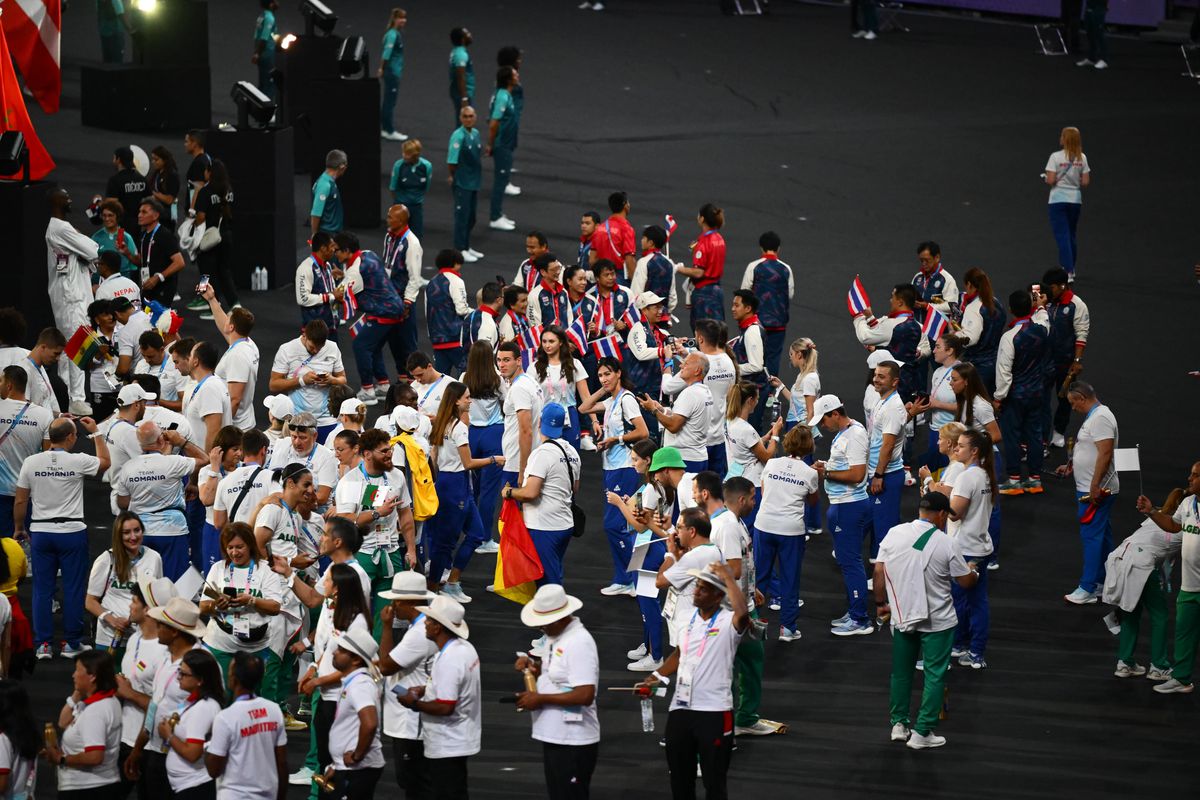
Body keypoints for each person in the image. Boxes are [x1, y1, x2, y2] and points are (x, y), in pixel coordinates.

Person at [875, 492, 979, 749]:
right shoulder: (947, 543)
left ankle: (898, 725)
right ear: (942, 515)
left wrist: (880, 604)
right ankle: (922, 732)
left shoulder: (894, 533)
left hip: (903, 615)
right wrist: (974, 571)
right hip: (938, 620)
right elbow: (965, 582)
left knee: (901, 673)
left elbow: (879, 570)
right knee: (934, 675)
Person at [643, 562, 748, 799]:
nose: (696, 592)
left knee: (714, 782)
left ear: (718, 595)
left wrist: (728, 578)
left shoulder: (729, 622)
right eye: (697, 586)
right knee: (679, 780)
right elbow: (681, 653)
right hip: (681, 708)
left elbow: (743, 614)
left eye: (703, 589)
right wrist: (657, 675)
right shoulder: (687, 618)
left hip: (715, 711)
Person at [15, 416, 109, 659]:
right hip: (71, 532)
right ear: (70, 437)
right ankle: (71, 643)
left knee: (42, 590)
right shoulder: (78, 461)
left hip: (41, 532)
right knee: (74, 588)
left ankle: (43, 645)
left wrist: (18, 527)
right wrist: (96, 433)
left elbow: (21, 499)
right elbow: (105, 462)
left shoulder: (31, 462)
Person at [512, 585, 599, 800]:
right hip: (557, 736)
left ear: (559, 619)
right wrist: (534, 667)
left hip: (573, 741)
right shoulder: (557, 637)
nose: (541, 629)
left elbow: (585, 694)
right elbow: (559, 674)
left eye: (543, 624)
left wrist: (540, 698)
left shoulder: (579, 642)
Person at [293, 562, 371, 794]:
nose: (322, 584)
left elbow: (353, 666)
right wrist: (314, 669)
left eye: (326, 580)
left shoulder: (356, 621)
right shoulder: (335, 611)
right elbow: (328, 650)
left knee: (339, 761)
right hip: (327, 694)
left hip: (342, 699)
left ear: (337, 588)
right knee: (327, 758)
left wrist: (317, 681)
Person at [394, 594, 479, 797]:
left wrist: (414, 703)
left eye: (429, 620)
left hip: (447, 742)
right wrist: (425, 689)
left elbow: (445, 706)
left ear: (438, 627)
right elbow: (455, 685)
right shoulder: (464, 649)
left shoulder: (450, 659)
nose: (425, 624)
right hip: (458, 738)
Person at [577, 357, 649, 596]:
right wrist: (603, 388)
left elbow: (643, 431)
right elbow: (583, 408)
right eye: (600, 375)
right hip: (612, 467)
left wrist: (615, 440)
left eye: (608, 374)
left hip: (625, 469)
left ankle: (635, 578)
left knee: (614, 525)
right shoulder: (612, 401)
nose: (604, 378)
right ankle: (626, 579)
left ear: (619, 373)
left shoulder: (626, 400)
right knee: (622, 526)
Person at [333, 429, 418, 624]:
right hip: (361, 554)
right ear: (367, 454)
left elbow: (405, 514)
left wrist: (411, 550)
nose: (390, 455)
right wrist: (377, 513)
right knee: (355, 614)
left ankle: (380, 652)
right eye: (384, 451)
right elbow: (345, 519)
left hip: (392, 551)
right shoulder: (351, 481)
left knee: (386, 616)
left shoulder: (397, 476)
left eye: (390, 450)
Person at [1104, 487, 1185, 682]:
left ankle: (1125, 663)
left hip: (1119, 558)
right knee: (1160, 615)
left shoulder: (1156, 516)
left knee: (1131, 611)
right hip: (1141, 564)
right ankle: (1159, 666)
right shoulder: (1186, 526)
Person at [427, 383, 498, 602]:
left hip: (450, 483)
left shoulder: (441, 424)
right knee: (446, 542)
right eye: (467, 397)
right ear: (456, 401)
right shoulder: (458, 428)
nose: (470, 400)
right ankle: (431, 590)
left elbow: (434, 459)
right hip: (455, 485)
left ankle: (451, 583)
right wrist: (494, 459)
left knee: (476, 534)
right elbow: (467, 463)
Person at [115, 421, 208, 579]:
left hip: (140, 531)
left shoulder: (128, 467)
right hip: (172, 530)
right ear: (160, 440)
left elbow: (122, 503)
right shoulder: (173, 463)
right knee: (175, 585)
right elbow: (205, 459)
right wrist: (181, 441)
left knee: (143, 586)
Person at [504, 403, 581, 587]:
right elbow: (574, 488)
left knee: (548, 584)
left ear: (539, 423)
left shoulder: (541, 454)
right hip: (564, 524)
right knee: (553, 573)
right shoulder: (573, 453)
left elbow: (530, 492)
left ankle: (556, 615)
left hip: (544, 527)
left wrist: (509, 492)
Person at [377, 572, 437, 799]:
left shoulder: (420, 633)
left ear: (409, 602)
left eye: (396, 601)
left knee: (416, 786)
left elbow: (386, 666)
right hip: (410, 720)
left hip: (411, 724)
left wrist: (386, 627)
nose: (393, 606)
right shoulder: (421, 627)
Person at [199, 523, 284, 683]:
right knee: (223, 696)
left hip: (256, 647)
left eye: (239, 547)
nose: (234, 552)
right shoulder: (218, 569)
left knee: (252, 697)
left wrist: (251, 600)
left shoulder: (265, 570)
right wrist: (217, 605)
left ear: (250, 545)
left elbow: (275, 607)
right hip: (221, 644)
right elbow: (203, 607)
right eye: (230, 547)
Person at [756, 426, 819, 641]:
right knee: (790, 578)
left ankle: (753, 622)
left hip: (764, 525)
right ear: (809, 445)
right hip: (791, 530)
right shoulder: (810, 472)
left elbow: (764, 493)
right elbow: (812, 502)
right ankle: (788, 628)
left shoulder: (772, 463)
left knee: (760, 576)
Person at [1057, 381, 1118, 604]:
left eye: (1074, 403)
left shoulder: (1100, 417)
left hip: (1094, 491)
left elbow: (1105, 453)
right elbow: (1091, 450)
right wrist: (1072, 465)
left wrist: (1094, 486)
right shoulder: (1096, 416)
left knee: (1091, 537)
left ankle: (1088, 588)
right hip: (1091, 486)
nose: (1073, 408)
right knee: (1101, 537)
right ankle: (1104, 582)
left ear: (1082, 398)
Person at [204, 652, 288, 800]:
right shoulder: (274, 710)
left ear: (233, 679)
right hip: (268, 794)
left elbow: (213, 770)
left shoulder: (225, 717)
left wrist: (207, 746)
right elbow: (281, 762)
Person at [46, 188, 100, 416]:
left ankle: (66, 394)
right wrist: (83, 243)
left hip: (71, 297)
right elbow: (93, 249)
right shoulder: (61, 228)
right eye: (65, 196)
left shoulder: (59, 229)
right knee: (78, 345)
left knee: (70, 348)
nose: (69, 199)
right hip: (72, 299)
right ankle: (77, 398)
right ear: (55, 202)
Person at [945, 429, 996, 669]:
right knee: (967, 599)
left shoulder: (967, 477)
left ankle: (975, 651)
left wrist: (933, 495)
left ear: (974, 451)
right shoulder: (985, 475)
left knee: (970, 601)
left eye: (961, 446)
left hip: (966, 549)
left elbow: (955, 514)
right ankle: (963, 645)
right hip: (979, 545)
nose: (956, 449)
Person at [114, 579, 171, 798]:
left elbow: (163, 707)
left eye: (134, 601)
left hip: (151, 746)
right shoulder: (134, 639)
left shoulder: (166, 651)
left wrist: (129, 693)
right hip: (125, 738)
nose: (130, 606)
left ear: (148, 609)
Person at [86, 512, 164, 658]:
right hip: (110, 638)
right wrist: (112, 620)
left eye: (137, 530)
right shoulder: (106, 560)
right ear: (118, 535)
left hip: (143, 639)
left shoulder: (154, 558)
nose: (133, 537)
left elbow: (156, 598)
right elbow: (90, 602)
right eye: (126, 532)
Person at [994, 289, 1049, 495]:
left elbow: (1004, 372)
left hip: (1015, 396)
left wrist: (998, 398)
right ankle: (1035, 479)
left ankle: (1014, 479)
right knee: (1035, 435)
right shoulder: (1042, 329)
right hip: (1037, 393)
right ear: (1031, 307)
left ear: (1010, 309)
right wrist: (1041, 305)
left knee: (1012, 436)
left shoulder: (1009, 338)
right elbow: (1044, 317)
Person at [46, 650, 123, 798]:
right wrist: (77, 692)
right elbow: (63, 722)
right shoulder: (104, 702)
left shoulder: (96, 712)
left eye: (77, 670)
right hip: (96, 786)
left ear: (92, 676)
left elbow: (95, 756)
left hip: (87, 789)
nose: (73, 675)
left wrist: (61, 759)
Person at [325, 629, 385, 798]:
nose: (335, 653)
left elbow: (370, 723)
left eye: (342, 650)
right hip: (350, 768)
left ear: (356, 659)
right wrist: (337, 765)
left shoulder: (360, 685)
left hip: (358, 769)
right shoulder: (354, 682)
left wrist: (357, 756)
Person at [161, 650, 224, 800]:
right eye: (179, 671)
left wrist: (168, 735)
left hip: (195, 788)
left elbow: (192, 753)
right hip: (187, 786)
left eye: (184, 674)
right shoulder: (195, 702)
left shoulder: (204, 708)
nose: (178, 678)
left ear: (200, 680)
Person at [269, 323, 348, 441]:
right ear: (304, 335)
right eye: (312, 347)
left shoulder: (332, 348)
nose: (316, 351)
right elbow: (274, 385)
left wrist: (332, 380)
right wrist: (302, 380)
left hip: (327, 419)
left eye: (319, 347)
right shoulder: (287, 349)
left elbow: (343, 379)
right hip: (298, 419)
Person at [0, 366, 54, 537]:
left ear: (9, 385)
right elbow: (48, 456)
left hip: (1, 491)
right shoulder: (44, 415)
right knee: (27, 543)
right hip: (30, 492)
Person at [461, 342, 505, 552]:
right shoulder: (497, 379)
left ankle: (472, 533)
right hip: (493, 435)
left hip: (471, 435)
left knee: (472, 490)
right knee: (489, 492)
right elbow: (507, 403)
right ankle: (485, 539)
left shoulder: (464, 378)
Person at [853, 284, 929, 402]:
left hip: (892, 386)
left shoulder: (894, 325)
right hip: (909, 382)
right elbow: (890, 341)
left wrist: (858, 317)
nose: (890, 300)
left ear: (900, 302)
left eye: (892, 297)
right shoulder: (915, 326)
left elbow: (865, 337)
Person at [1040, 268, 1090, 449]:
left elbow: (1081, 335)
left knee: (1064, 399)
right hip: (1044, 361)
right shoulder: (1046, 301)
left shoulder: (1077, 305)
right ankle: (1042, 434)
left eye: (1051, 287)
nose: (1047, 291)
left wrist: (1076, 362)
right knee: (1042, 399)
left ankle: (1059, 432)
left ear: (1062, 286)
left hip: (1065, 363)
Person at [640, 352, 713, 473]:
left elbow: (674, 426)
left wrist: (653, 410)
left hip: (685, 459)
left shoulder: (690, 393)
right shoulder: (704, 391)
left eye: (686, 363)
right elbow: (683, 419)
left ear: (697, 371)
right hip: (696, 457)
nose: (681, 366)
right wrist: (661, 410)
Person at [723, 382, 782, 523]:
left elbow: (743, 444)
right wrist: (775, 435)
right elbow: (768, 456)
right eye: (757, 398)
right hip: (752, 483)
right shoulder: (747, 430)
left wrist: (764, 439)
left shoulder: (729, 421)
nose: (758, 402)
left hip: (736, 479)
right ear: (750, 401)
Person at [865, 360, 908, 559]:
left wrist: (878, 475)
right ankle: (877, 564)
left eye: (882, 376)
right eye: (875, 375)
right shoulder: (883, 400)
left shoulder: (892, 407)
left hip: (886, 475)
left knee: (884, 528)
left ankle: (884, 571)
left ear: (894, 382)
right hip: (878, 472)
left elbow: (888, 445)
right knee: (876, 522)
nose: (876, 379)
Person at [740, 231, 794, 376]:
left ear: (761, 247)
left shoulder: (754, 266)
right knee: (773, 358)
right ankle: (771, 393)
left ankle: (755, 392)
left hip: (756, 323)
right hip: (779, 324)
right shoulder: (786, 268)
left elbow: (744, 293)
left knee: (753, 358)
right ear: (778, 248)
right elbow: (790, 294)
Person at [380, 206, 424, 383]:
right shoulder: (389, 237)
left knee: (407, 343)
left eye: (391, 217)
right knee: (393, 341)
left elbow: (415, 278)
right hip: (389, 299)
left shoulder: (412, 243)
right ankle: (402, 378)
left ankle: (416, 382)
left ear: (402, 221)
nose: (387, 219)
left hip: (402, 300)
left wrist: (407, 303)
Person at [533, 326, 592, 452]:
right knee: (547, 458)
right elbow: (531, 398)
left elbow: (586, 397)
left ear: (560, 342)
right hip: (545, 415)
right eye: (544, 341)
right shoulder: (534, 367)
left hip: (569, 414)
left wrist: (595, 421)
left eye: (551, 341)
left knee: (571, 458)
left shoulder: (574, 364)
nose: (547, 345)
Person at [1044, 126, 1091, 280]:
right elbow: (1085, 181)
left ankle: (1068, 270)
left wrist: (1047, 178)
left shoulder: (1056, 157)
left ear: (1065, 139)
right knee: (1071, 234)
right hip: (1075, 200)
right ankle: (1072, 267)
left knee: (1062, 235)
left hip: (1058, 200)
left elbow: (1050, 180)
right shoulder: (1081, 158)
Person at [496, 341, 544, 490]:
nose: (501, 365)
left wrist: (522, 471)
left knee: (514, 512)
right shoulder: (530, 381)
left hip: (517, 464)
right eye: (498, 360)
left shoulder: (519, 389)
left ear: (518, 361)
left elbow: (526, 431)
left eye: (506, 360)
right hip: (530, 458)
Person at [121, 198, 184, 307]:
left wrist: (158, 277)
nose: (139, 215)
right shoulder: (144, 235)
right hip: (149, 286)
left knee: (158, 322)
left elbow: (179, 262)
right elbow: (143, 261)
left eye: (144, 212)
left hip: (163, 288)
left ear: (155, 215)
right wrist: (127, 253)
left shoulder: (165, 235)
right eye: (139, 212)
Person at [193, 160, 238, 312]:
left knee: (206, 271)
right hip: (227, 236)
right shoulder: (229, 190)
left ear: (210, 173)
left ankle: (212, 305)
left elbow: (200, 217)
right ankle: (234, 304)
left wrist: (193, 228)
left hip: (209, 238)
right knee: (224, 270)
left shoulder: (205, 191)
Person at [677, 203, 727, 327]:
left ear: (702, 218)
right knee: (717, 330)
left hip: (704, 294)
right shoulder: (719, 239)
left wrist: (680, 269)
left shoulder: (704, 242)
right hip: (717, 291)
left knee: (703, 332)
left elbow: (699, 272)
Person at [212, 430, 274, 529]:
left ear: (242, 450)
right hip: (263, 539)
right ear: (263, 450)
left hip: (238, 540)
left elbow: (218, 523)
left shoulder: (224, 482)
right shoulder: (272, 478)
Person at [625, 294, 667, 437]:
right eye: (656, 307)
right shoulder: (638, 329)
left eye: (661, 306)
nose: (660, 310)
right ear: (644, 310)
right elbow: (641, 353)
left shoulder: (658, 331)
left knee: (658, 433)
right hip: (641, 392)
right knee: (648, 436)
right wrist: (663, 351)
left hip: (655, 389)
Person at [425, 249, 472, 375]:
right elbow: (462, 310)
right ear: (456, 263)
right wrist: (476, 312)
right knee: (466, 375)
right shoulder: (456, 281)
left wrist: (432, 336)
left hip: (437, 339)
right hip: (456, 338)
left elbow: (427, 312)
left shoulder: (431, 283)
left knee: (441, 379)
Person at [922, 333, 963, 476]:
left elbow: (966, 406)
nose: (933, 350)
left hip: (953, 434)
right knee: (934, 476)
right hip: (935, 430)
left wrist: (938, 404)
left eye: (938, 347)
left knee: (951, 476)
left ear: (950, 351)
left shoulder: (962, 372)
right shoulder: (938, 372)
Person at [447, 107, 483, 262]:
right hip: (462, 182)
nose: (468, 119)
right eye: (465, 116)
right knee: (462, 217)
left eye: (471, 116)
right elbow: (452, 161)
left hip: (474, 181)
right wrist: (454, 177)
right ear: (461, 118)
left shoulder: (475, 134)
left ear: (475, 117)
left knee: (471, 217)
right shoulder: (457, 136)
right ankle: (459, 249)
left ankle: (467, 246)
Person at [486, 66, 519, 232]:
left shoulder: (504, 94)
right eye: (514, 74)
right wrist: (491, 144)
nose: (517, 75)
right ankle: (495, 217)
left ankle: (498, 213)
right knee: (500, 181)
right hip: (502, 144)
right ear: (508, 79)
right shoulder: (502, 97)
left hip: (505, 143)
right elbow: (493, 123)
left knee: (503, 179)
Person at [729, 290, 768, 431]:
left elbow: (756, 366)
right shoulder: (748, 328)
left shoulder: (752, 331)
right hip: (751, 391)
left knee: (752, 432)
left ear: (748, 308)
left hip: (754, 393)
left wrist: (731, 368)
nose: (733, 309)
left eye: (736, 305)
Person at [295, 235, 343, 332]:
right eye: (332, 246)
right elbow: (303, 299)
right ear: (323, 248)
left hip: (331, 327)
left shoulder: (327, 266)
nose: (334, 249)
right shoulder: (306, 268)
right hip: (314, 332)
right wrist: (330, 296)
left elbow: (331, 291)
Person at [629, 226, 677, 315]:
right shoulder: (669, 263)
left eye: (643, 238)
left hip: (646, 316)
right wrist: (667, 312)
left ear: (650, 243)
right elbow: (672, 296)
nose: (641, 240)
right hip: (662, 315)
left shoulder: (643, 262)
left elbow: (636, 292)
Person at [389, 144, 432, 240]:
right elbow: (393, 187)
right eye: (403, 152)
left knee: (416, 236)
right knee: (397, 235)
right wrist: (399, 203)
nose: (404, 155)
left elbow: (426, 186)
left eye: (407, 154)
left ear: (415, 155)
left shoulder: (426, 166)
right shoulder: (398, 165)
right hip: (401, 205)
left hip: (416, 205)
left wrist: (416, 198)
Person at [910, 241, 960, 323]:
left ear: (937, 257)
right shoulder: (917, 277)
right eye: (921, 260)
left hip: (936, 331)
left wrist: (927, 306)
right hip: (918, 330)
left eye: (927, 260)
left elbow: (953, 307)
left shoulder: (947, 279)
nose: (923, 263)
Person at [592, 192, 637, 281]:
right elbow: (629, 260)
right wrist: (634, 283)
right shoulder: (626, 228)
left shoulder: (600, 228)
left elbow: (592, 260)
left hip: (602, 278)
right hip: (619, 277)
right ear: (625, 205)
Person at [135, 331, 185, 411]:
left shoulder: (177, 366)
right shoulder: (140, 364)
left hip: (169, 416)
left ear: (162, 350)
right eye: (143, 355)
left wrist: (156, 401)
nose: (147, 360)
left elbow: (184, 404)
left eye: (150, 356)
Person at [92, 201, 140, 282]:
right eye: (104, 215)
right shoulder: (96, 237)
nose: (107, 219)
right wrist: (93, 284)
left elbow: (137, 263)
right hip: (101, 282)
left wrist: (127, 253)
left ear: (117, 216)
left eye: (110, 215)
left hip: (123, 282)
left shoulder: (127, 237)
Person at [378, 8, 407, 140]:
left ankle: (384, 127)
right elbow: (386, 54)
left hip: (393, 71)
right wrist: (381, 68)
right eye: (401, 18)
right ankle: (388, 130)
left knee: (388, 101)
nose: (403, 20)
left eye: (404, 18)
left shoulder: (394, 33)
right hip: (391, 72)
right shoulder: (393, 35)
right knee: (390, 102)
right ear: (394, 19)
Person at [105, 147, 148, 233]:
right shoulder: (142, 179)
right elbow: (149, 200)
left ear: (118, 160)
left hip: (121, 226)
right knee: (135, 246)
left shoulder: (115, 180)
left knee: (121, 245)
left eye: (114, 158)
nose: (113, 161)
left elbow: (111, 204)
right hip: (139, 225)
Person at [526, 254, 570, 329]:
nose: (558, 272)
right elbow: (534, 326)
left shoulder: (563, 292)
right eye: (553, 269)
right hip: (547, 340)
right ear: (543, 272)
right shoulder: (534, 295)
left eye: (558, 268)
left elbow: (569, 318)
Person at [311, 150, 347, 237]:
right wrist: (315, 236)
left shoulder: (330, 181)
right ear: (341, 167)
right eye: (346, 165)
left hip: (333, 233)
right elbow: (316, 213)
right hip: (327, 235)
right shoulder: (325, 185)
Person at [459, 281, 502, 354]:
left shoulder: (470, 315)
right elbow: (484, 357)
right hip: (479, 365)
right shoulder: (487, 323)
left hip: (467, 363)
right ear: (499, 300)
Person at [148, 146, 181, 232]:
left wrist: (155, 195)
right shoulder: (157, 173)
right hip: (158, 213)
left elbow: (169, 200)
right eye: (153, 159)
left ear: (165, 160)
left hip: (168, 215)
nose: (153, 162)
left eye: (156, 159)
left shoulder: (172, 175)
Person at [448, 27, 475, 123]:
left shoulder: (458, 51)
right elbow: (460, 76)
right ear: (463, 39)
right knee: (465, 122)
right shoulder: (461, 54)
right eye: (467, 34)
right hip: (462, 93)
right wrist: (464, 97)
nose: (470, 35)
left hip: (461, 92)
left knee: (464, 121)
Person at [182, 131, 212, 214]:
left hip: (197, 213)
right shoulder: (206, 158)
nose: (185, 144)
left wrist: (192, 211)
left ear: (194, 144)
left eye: (187, 141)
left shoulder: (199, 163)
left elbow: (198, 189)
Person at [1077, 0, 1108, 68]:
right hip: (1089, 6)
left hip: (1099, 7)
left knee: (1099, 33)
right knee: (1090, 33)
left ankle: (1104, 60)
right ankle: (1092, 59)